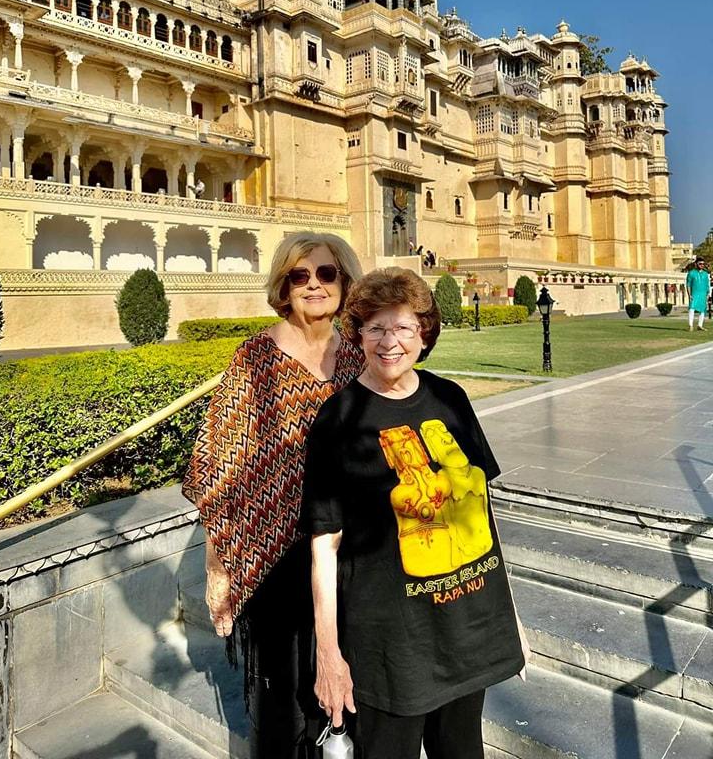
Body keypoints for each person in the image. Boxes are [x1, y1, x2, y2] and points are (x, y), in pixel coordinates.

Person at [304, 268, 529, 759]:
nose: (390, 342)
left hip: (469, 629)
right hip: (392, 646)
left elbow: (482, 519)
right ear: (356, 333)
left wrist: (510, 622)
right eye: (376, 328)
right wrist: (329, 654)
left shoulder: (451, 398)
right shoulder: (338, 418)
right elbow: (325, 543)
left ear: (424, 335)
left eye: (405, 328)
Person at [182, 232, 364, 759]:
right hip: (276, 555)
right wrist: (220, 562)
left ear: (344, 282)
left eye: (326, 274)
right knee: (281, 698)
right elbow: (220, 463)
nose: (313, 285)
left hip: (348, 549)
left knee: (345, 682)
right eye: (299, 276)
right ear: (283, 287)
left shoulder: (358, 355)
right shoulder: (256, 358)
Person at [687, 257, 710, 331]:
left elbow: (707, 285)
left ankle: (700, 325)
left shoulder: (705, 274)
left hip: (703, 293)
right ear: (696, 264)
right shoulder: (691, 273)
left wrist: (707, 294)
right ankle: (690, 325)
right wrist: (689, 294)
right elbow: (688, 285)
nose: (702, 265)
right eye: (700, 264)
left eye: (703, 264)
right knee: (692, 308)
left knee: (702, 310)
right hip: (694, 293)